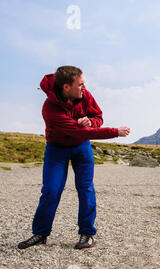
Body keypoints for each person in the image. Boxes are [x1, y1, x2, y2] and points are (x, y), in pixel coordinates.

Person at [18, 66, 130, 250]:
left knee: (85, 189)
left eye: (83, 83)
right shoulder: (49, 108)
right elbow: (75, 131)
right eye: (80, 84)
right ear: (66, 87)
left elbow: (98, 116)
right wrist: (115, 132)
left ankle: (87, 234)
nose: (84, 88)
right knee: (51, 191)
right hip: (57, 149)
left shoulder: (84, 95)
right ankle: (40, 233)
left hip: (81, 147)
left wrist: (89, 121)